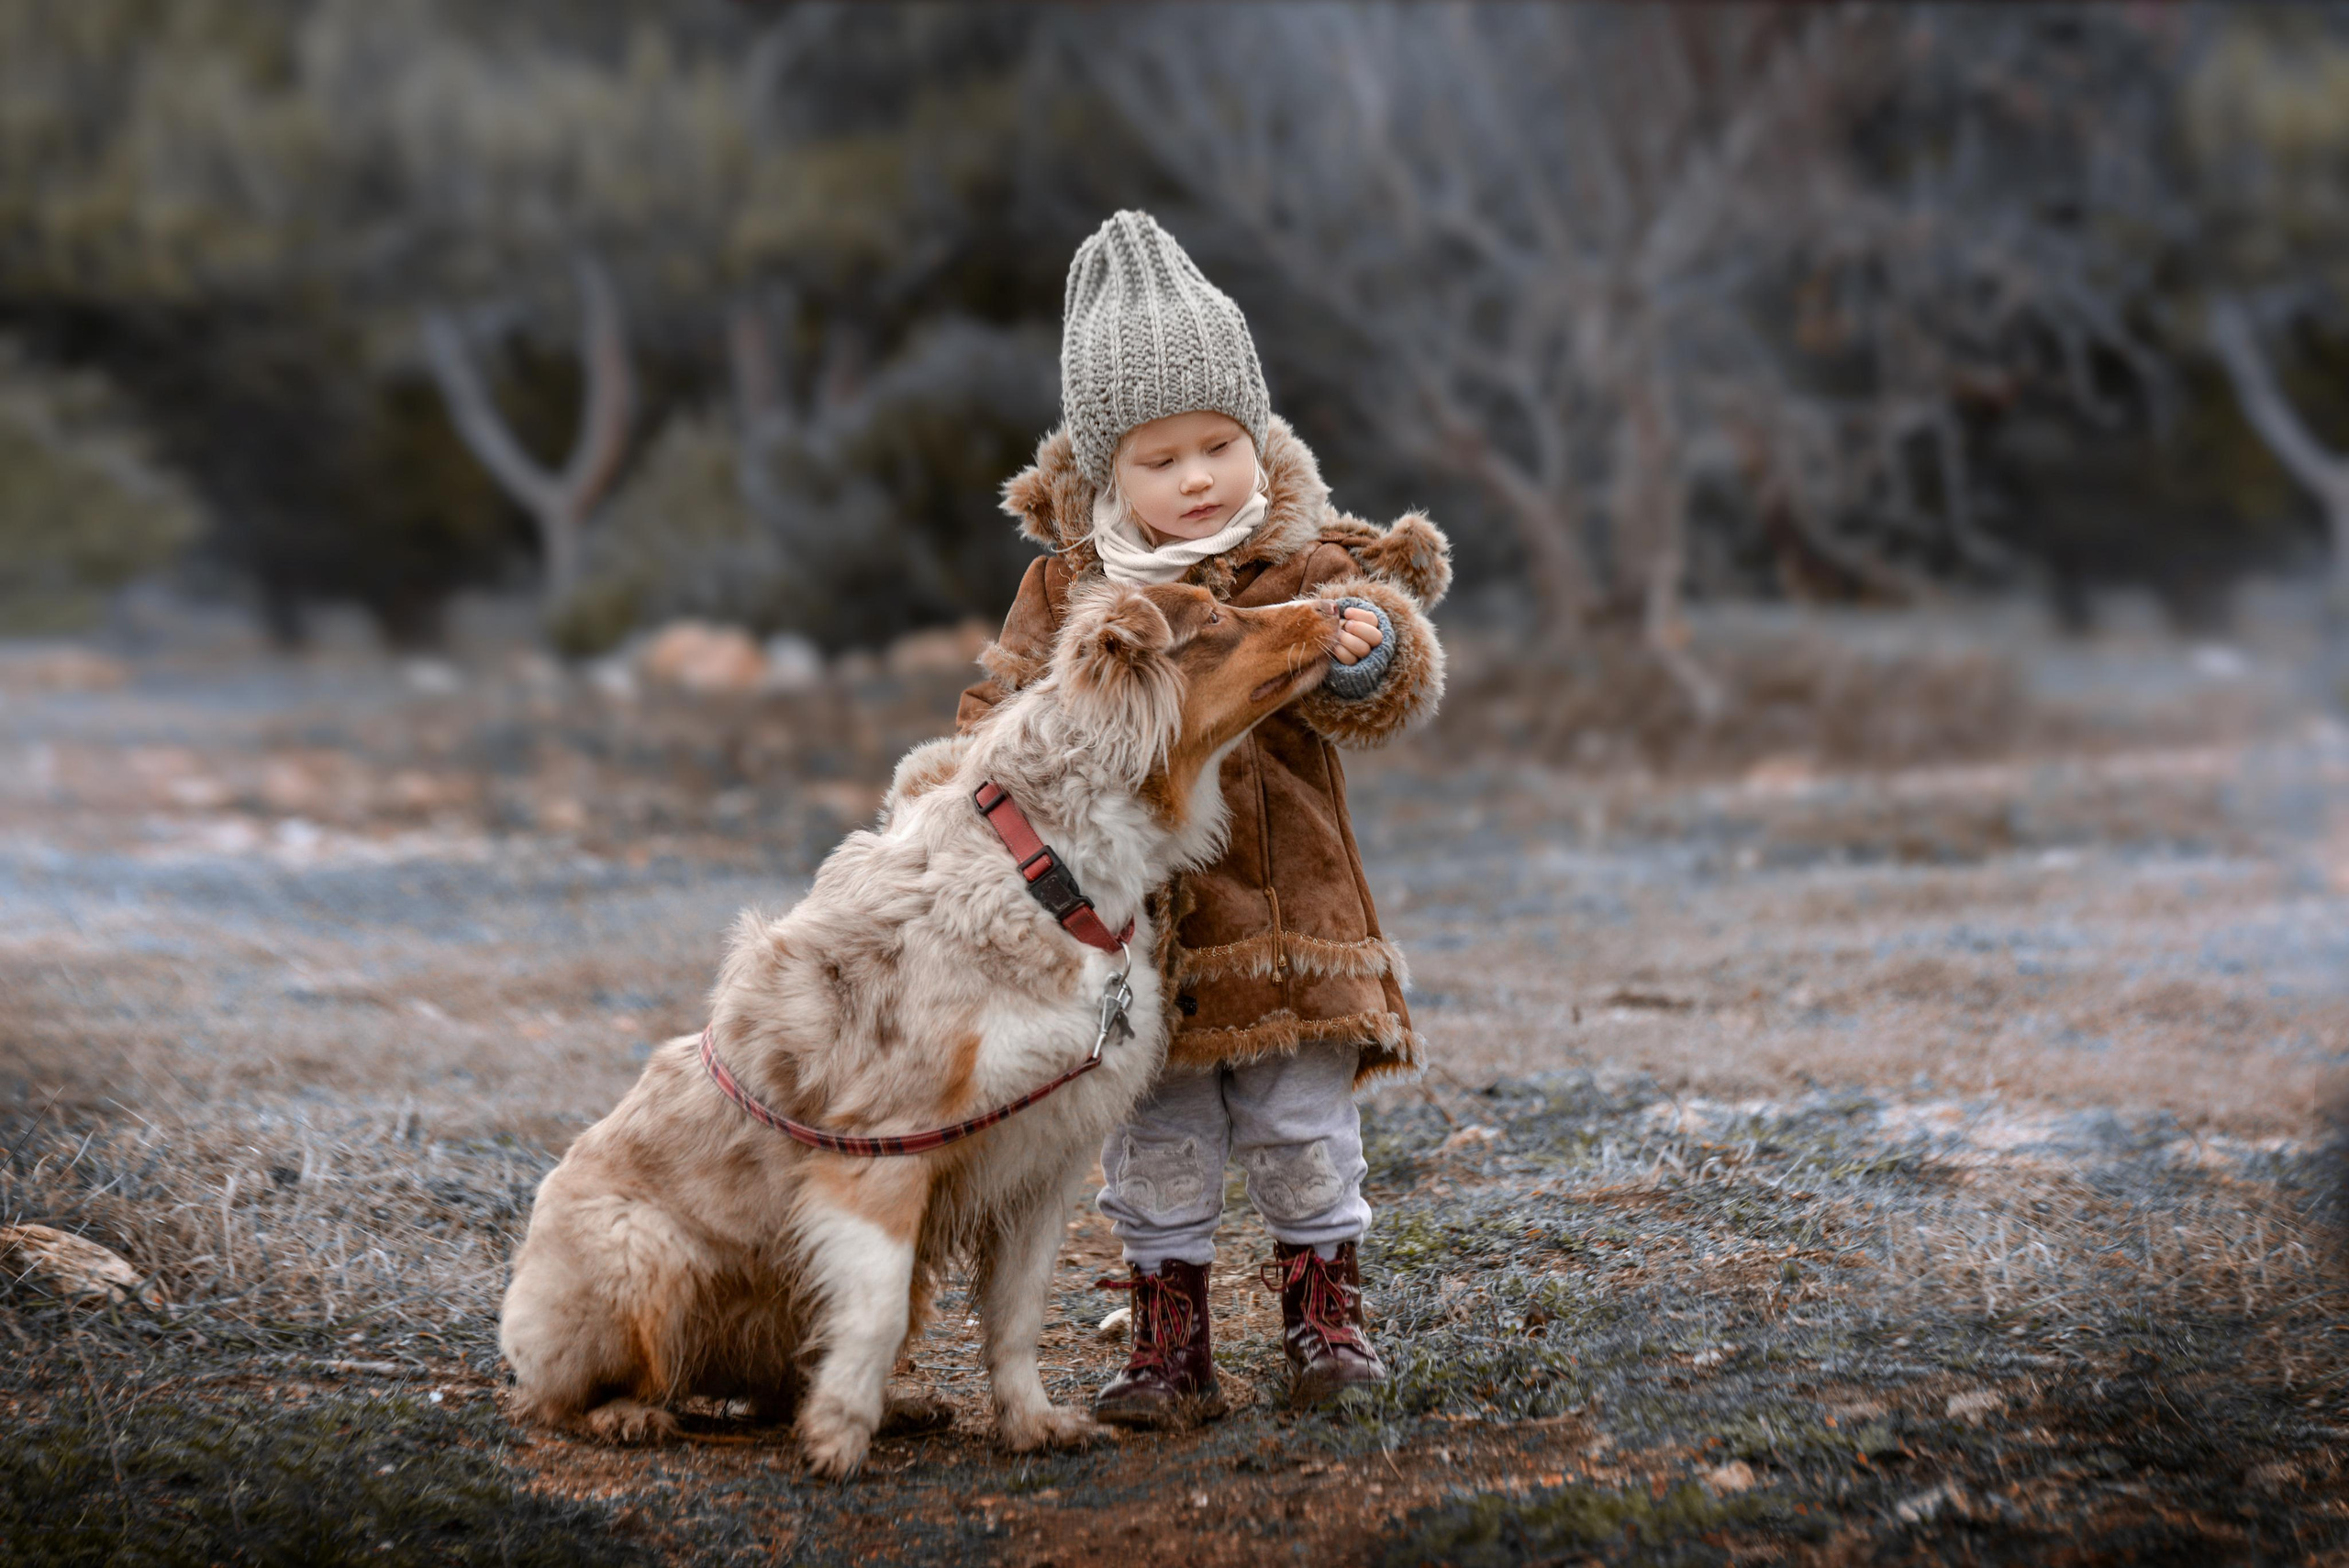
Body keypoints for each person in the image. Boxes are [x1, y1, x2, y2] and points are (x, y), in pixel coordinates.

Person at [957, 210, 1450, 1422]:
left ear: (1257, 436)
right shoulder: (1072, 591)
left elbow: (1394, 670)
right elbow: (1000, 708)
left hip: (1288, 917)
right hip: (1142, 940)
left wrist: (1365, 649)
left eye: (1219, 444)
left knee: (1301, 1131)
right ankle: (1168, 1345)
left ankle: (1324, 1318)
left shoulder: (1299, 564)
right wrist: (955, 778)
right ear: (1104, 469)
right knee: (1157, 1148)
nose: (1195, 479)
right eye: (1160, 456)